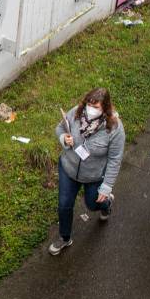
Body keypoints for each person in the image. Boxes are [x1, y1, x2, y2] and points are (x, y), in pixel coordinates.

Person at [48, 88, 125, 255]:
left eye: (96, 107)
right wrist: (64, 139)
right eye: (89, 104)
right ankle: (65, 237)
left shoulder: (114, 128)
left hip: (94, 176)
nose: (90, 109)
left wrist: (106, 187)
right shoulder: (76, 112)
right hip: (68, 168)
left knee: (92, 204)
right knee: (64, 205)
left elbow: (115, 160)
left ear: (105, 108)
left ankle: (106, 204)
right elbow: (60, 129)